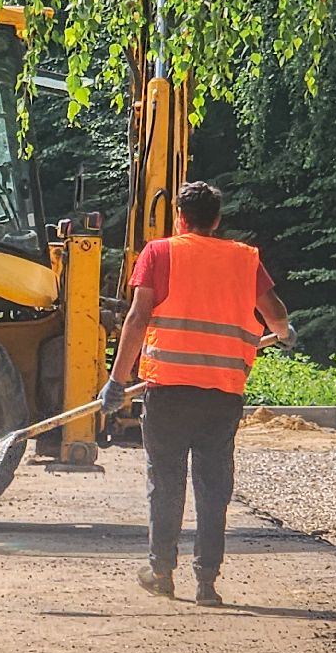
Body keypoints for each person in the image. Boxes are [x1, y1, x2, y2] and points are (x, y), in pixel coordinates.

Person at [99, 181, 293, 606]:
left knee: (165, 482)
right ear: (218, 220)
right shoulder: (244, 259)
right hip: (222, 395)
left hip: (167, 391)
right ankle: (207, 581)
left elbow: (137, 318)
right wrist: (284, 332)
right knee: (213, 484)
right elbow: (275, 313)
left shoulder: (160, 252)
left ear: (180, 218)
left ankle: (161, 572)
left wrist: (117, 379)